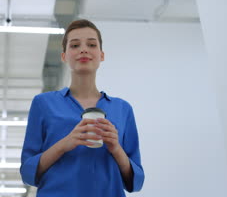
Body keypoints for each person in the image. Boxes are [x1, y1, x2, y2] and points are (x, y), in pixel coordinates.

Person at [20, 19, 144, 196]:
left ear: (101, 55)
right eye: (75, 45)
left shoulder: (122, 109)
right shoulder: (43, 104)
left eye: (92, 44)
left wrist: (116, 148)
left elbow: (136, 181)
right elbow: (27, 172)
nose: (84, 49)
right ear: (64, 56)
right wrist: (64, 144)